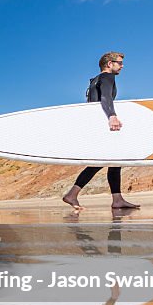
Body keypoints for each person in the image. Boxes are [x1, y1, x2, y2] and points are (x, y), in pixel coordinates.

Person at [62, 52, 140, 211]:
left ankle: (116, 199)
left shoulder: (94, 81)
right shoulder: (107, 78)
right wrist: (112, 116)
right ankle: (73, 194)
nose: (122, 66)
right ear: (109, 64)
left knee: (113, 161)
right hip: (104, 124)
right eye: (119, 63)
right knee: (106, 161)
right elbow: (106, 97)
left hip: (95, 126)